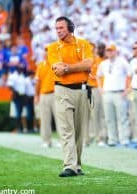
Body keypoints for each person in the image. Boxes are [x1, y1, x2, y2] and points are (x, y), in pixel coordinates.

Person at [47, 16, 93, 177]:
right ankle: (69, 165)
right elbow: (57, 68)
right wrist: (77, 68)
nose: (58, 31)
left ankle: (77, 165)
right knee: (66, 129)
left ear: (70, 28)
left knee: (80, 131)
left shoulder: (83, 44)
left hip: (81, 90)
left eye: (61, 28)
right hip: (62, 90)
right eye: (56, 28)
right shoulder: (53, 47)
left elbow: (88, 64)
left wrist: (67, 69)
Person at [96, 44, 132, 146]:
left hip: (119, 92)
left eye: (111, 50)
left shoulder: (122, 61)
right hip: (107, 93)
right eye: (108, 51)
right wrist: (100, 88)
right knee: (109, 118)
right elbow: (98, 76)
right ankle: (112, 140)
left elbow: (130, 74)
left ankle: (124, 139)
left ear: (115, 51)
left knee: (122, 117)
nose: (109, 52)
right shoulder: (103, 63)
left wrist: (128, 89)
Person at [34, 47, 60, 148]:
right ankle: (46, 141)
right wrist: (36, 95)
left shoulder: (57, 65)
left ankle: (61, 141)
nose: (46, 53)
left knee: (59, 118)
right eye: (45, 52)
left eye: (49, 51)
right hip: (43, 94)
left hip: (55, 93)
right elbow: (37, 82)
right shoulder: (40, 65)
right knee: (44, 119)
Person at [86, 42, 107, 146]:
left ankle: (101, 137)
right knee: (93, 114)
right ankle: (96, 137)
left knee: (101, 114)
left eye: (92, 48)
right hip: (91, 88)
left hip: (100, 89)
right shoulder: (88, 60)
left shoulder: (101, 60)